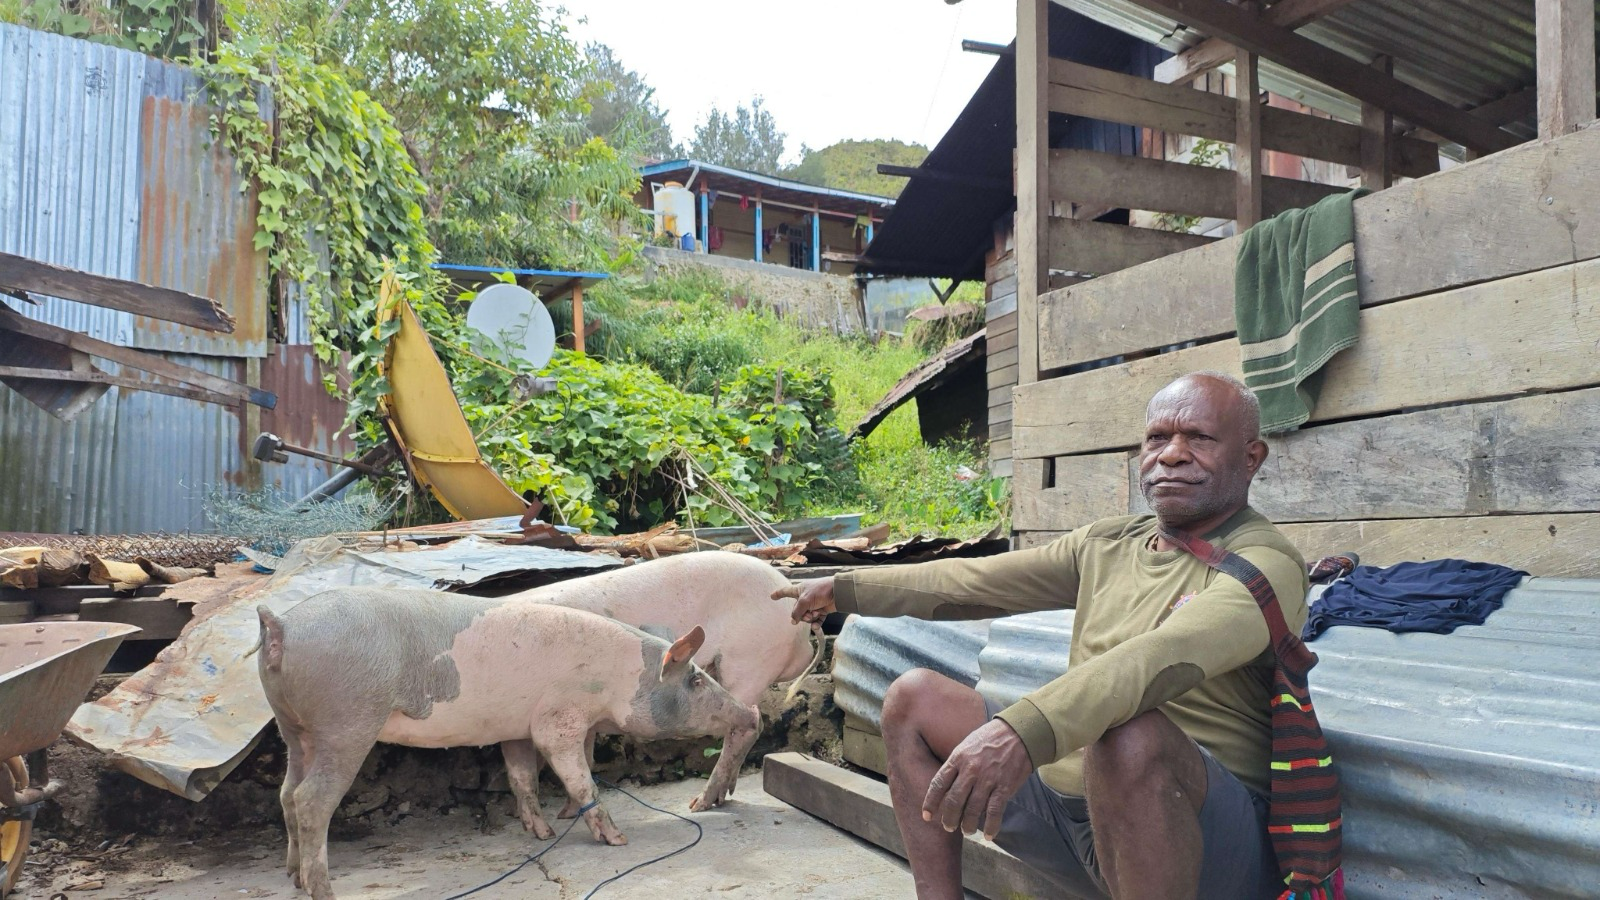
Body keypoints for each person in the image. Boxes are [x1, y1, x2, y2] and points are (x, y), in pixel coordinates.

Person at [774, 372, 1309, 900]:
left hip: (1201, 849)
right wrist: (845, 588)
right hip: (1071, 819)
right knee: (915, 699)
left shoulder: (1265, 565)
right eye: (1156, 438)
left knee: (1129, 735)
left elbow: (1158, 657)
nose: (1171, 454)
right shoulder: (1110, 544)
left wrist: (1019, 731)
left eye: (1199, 438)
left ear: (1251, 457)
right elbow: (974, 582)